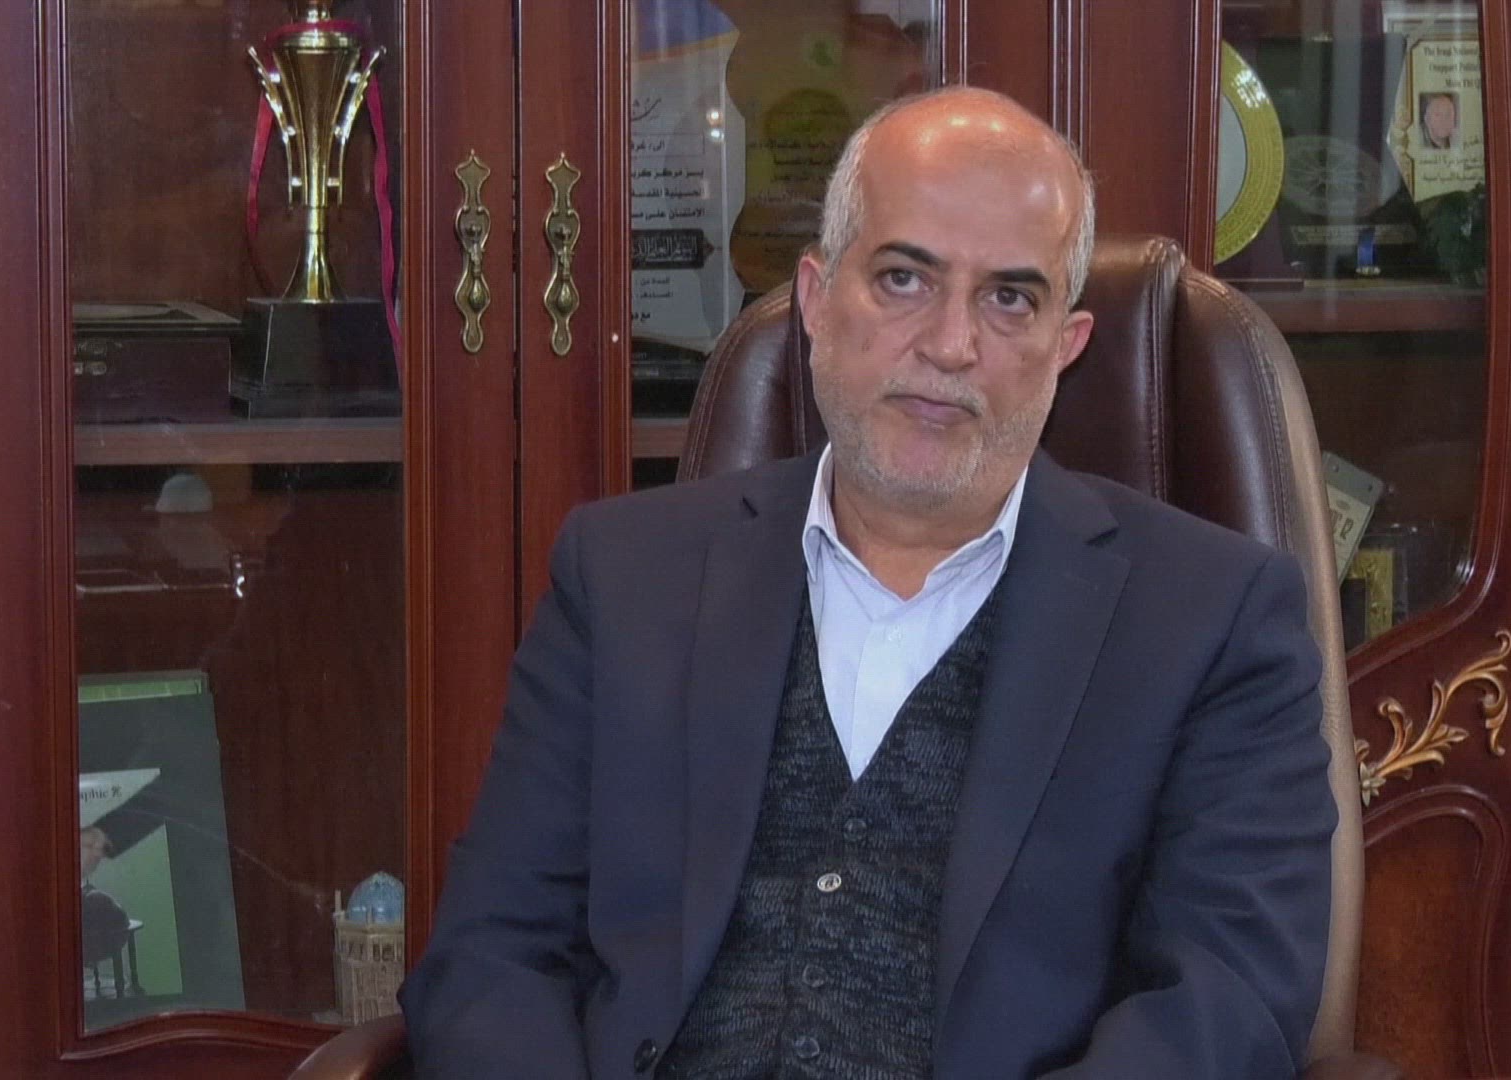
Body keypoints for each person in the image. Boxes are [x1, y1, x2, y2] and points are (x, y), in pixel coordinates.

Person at [401, 86, 1335, 1079]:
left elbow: (1224, 1006)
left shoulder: (1211, 621)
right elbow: (493, 955)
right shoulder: (625, 575)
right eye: (903, 279)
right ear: (815, 298)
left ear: (1065, 348)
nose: (949, 344)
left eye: (1010, 299)